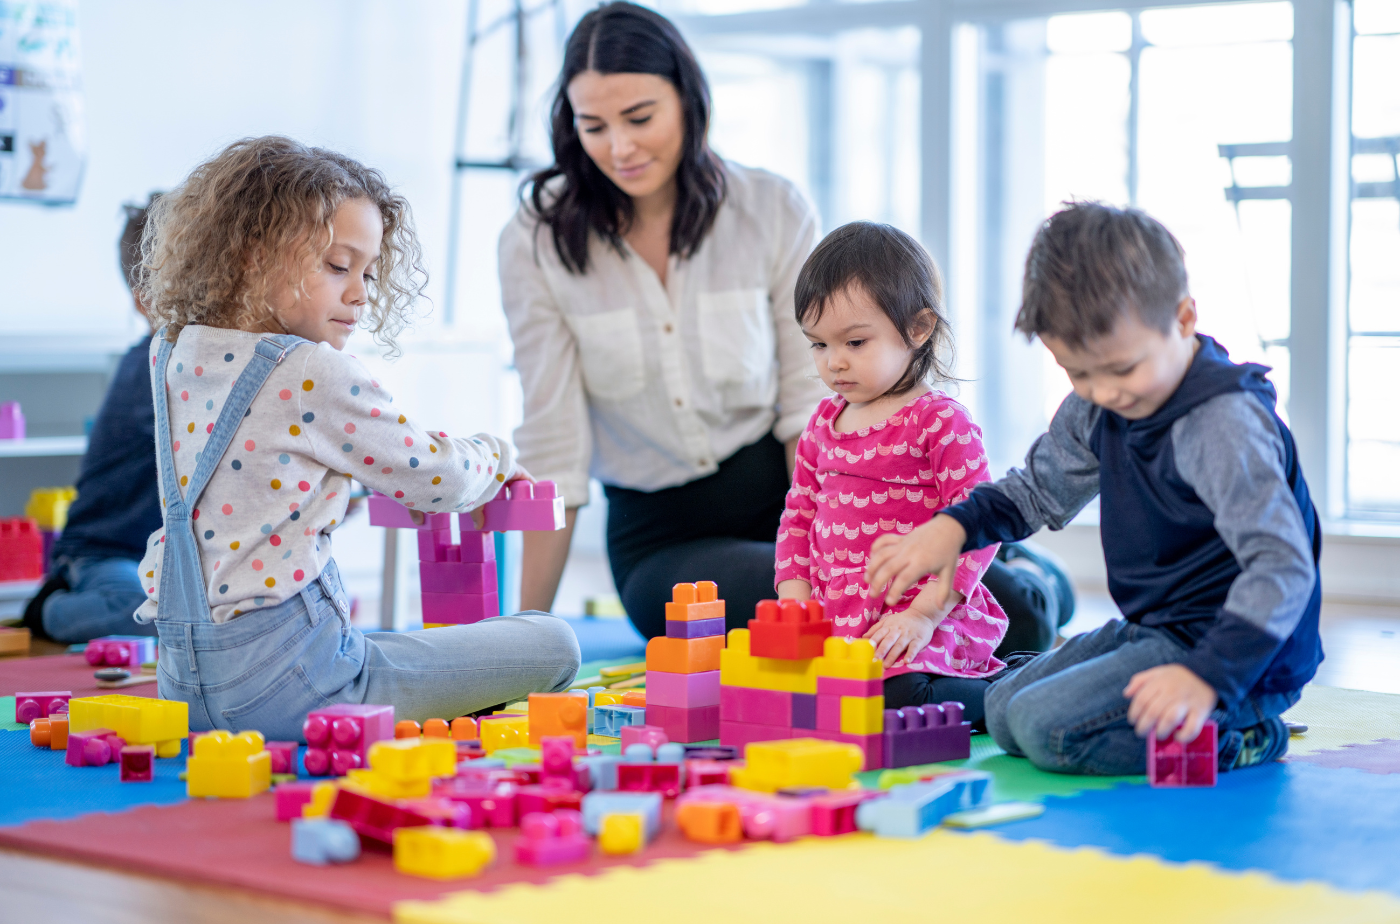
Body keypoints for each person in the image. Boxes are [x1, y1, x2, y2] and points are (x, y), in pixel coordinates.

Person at [502, 0, 1073, 650]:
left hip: (810, 497)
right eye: (593, 126)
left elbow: (813, 401)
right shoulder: (535, 240)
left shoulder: (768, 208)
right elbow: (554, 445)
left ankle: (1025, 574)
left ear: (690, 102)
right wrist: (528, 639)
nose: (620, 147)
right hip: (668, 541)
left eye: (640, 118)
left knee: (996, 608)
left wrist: (839, 541)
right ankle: (1017, 575)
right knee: (823, 629)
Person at [133, 136, 579, 739]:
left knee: (393, 644)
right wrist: (496, 458)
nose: (361, 292)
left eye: (367, 272)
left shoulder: (173, 352)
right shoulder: (309, 369)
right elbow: (435, 477)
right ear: (250, 256)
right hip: (299, 691)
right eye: (338, 266)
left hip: (183, 687)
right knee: (554, 641)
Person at [866, 202, 1320, 774]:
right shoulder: (1099, 403)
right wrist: (951, 529)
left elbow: (1282, 568)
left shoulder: (1219, 423)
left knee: (1045, 732)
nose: (1103, 392)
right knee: (1004, 712)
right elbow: (1036, 490)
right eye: (1078, 373)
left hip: (1238, 656)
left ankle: (1246, 735)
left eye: (1121, 370)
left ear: (1182, 320)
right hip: (1156, 629)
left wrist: (1207, 678)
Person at [775, 222, 1007, 720]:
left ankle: (1016, 690)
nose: (834, 363)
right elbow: (798, 517)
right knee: (797, 698)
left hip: (923, 616)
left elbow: (980, 526)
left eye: (855, 343)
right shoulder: (822, 423)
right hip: (842, 623)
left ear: (918, 329)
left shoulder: (939, 421)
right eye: (817, 345)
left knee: (895, 699)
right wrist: (793, 601)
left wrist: (924, 615)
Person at [22, 197, 164, 643]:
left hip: (162, 563)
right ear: (143, 303)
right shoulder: (148, 368)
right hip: (104, 554)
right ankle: (48, 610)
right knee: (140, 613)